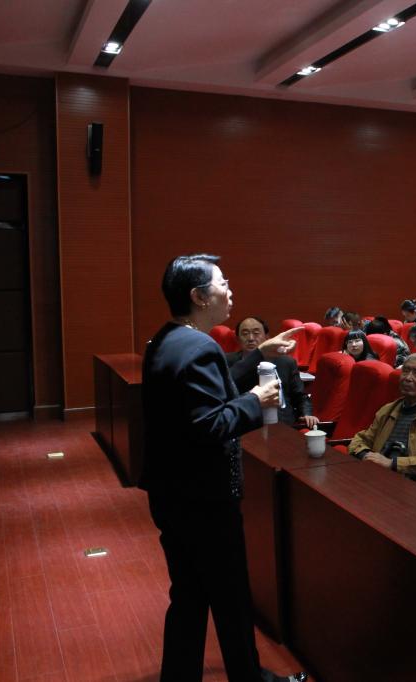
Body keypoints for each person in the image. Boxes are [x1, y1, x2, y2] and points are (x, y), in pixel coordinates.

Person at [140, 254, 307, 682]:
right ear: (199, 296)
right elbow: (210, 424)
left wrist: (259, 355)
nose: (230, 292)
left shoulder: (166, 339)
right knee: (230, 597)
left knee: (190, 596)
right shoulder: (200, 347)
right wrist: (256, 400)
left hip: (173, 492)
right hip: (205, 499)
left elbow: (210, 392)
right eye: (223, 284)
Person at [225, 316, 318, 429]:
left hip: (282, 424)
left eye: (256, 333)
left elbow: (300, 396)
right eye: (245, 334)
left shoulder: (286, 362)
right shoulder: (227, 362)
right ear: (238, 339)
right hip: (244, 424)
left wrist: (307, 413)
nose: (251, 338)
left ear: (267, 337)